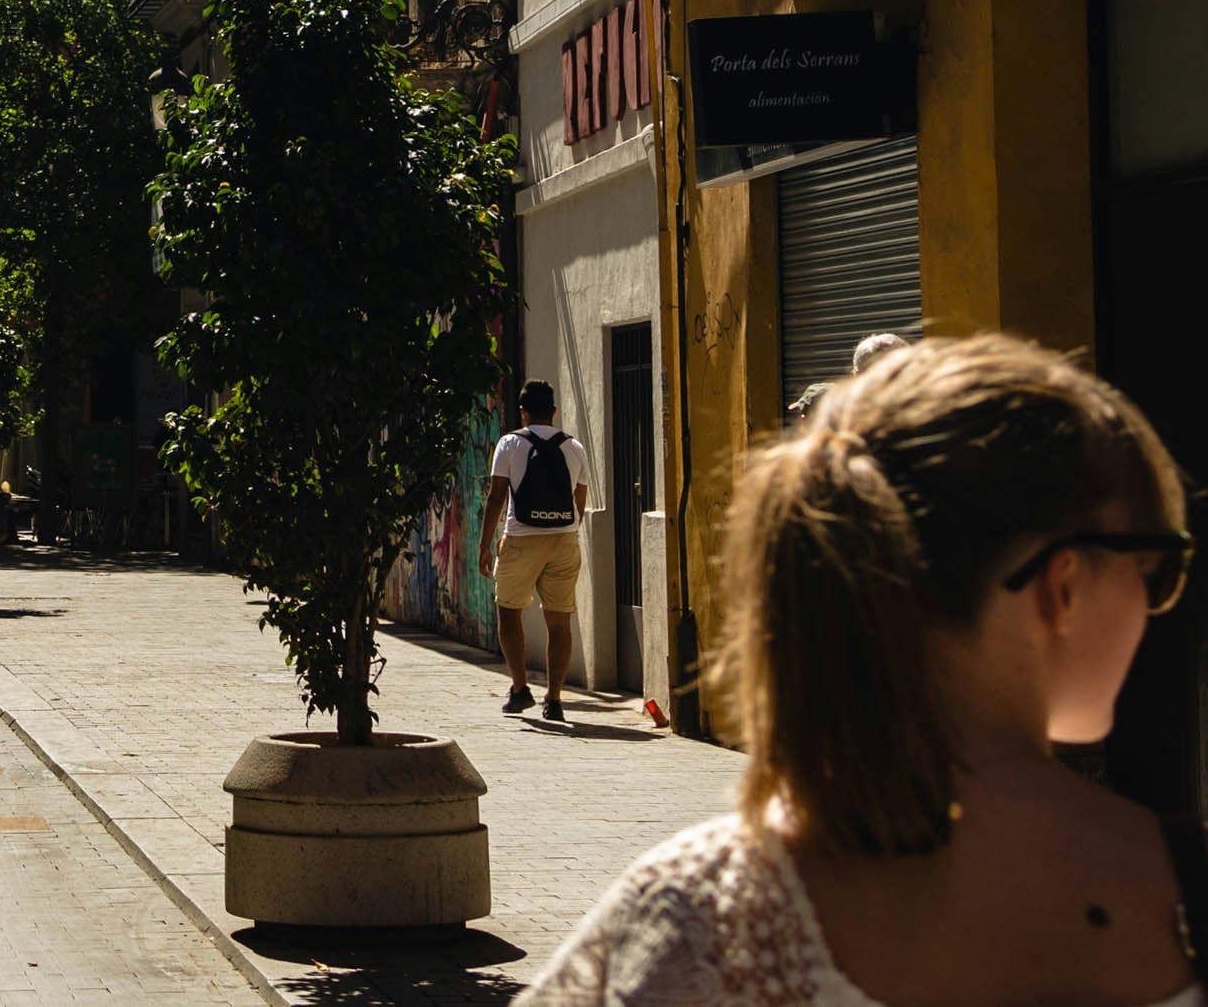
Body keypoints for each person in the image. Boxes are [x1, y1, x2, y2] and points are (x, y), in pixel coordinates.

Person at [519, 334, 1200, 1007]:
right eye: (1156, 564)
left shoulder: (696, 912)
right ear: (1064, 587)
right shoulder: (1178, 891)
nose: (1156, 598)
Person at [479, 379, 590, 723]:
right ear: (554, 412)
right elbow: (580, 503)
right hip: (564, 539)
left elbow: (497, 496)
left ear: (523, 412)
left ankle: (519, 688)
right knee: (559, 620)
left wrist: (486, 545)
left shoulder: (510, 443)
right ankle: (554, 699)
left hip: (521, 537)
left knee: (509, 610)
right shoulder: (575, 447)